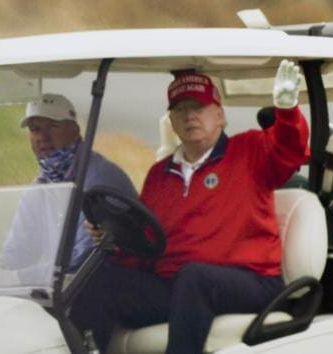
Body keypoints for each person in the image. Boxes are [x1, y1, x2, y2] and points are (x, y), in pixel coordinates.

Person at [70, 60, 310, 354]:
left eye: (199, 107)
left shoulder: (250, 150)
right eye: (180, 109)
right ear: (171, 120)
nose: (190, 116)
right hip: (177, 286)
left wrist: (287, 111)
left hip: (250, 280)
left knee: (195, 277)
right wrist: (114, 239)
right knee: (98, 279)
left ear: (219, 115)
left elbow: (291, 150)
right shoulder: (160, 175)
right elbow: (146, 243)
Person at [0, 93, 138, 283]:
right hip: (67, 287)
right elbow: (20, 248)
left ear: (74, 130)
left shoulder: (99, 180)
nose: (43, 137)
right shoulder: (42, 185)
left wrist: (17, 278)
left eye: (53, 126)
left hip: (112, 283)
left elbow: (82, 262)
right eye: (35, 129)